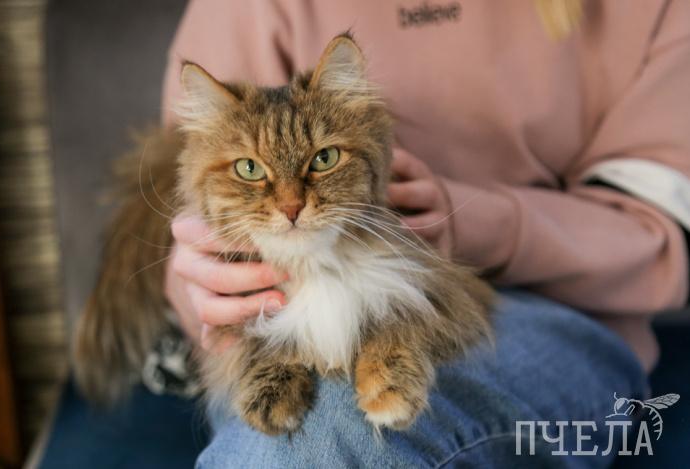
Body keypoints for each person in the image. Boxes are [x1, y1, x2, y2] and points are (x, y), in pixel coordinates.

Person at [160, 0, 690, 467]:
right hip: (292, 295)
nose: (290, 200)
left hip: (564, 308)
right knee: (297, 430)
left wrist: (473, 222)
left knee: (331, 431)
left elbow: (666, 230)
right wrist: (207, 284)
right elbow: (186, 213)